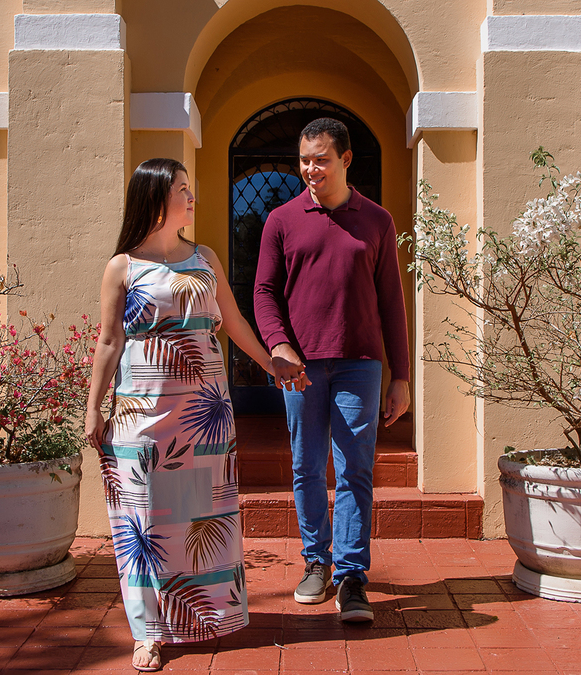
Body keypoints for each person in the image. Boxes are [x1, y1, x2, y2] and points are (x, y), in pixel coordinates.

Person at [85, 158, 274, 671]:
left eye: (191, 189)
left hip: (204, 415)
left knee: (200, 517)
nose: (191, 198)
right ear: (155, 197)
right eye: (182, 190)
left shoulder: (205, 257)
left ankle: (211, 615)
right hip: (139, 416)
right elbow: (108, 342)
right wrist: (92, 409)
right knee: (144, 520)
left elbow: (232, 322)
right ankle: (147, 632)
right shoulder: (122, 267)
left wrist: (270, 362)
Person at [253, 117, 410, 623]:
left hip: (360, 365)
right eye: (304, 159)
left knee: (355, 469)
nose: (310, 169)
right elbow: (263, 293)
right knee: (305, 465)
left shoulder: (377, 220)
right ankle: (316, 562)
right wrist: (278, 345)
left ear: (345, 159)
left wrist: (400, 376)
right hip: (299, 367)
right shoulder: (281, 219)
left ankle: (351, 577)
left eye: (320, 159)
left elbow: (392, 302)